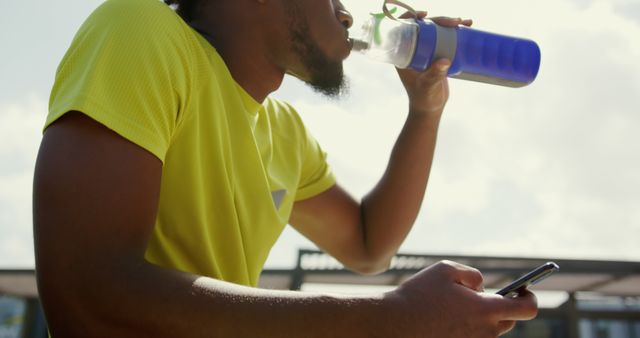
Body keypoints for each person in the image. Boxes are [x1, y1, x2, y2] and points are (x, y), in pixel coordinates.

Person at [33, 0, 538, 336]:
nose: (347, 13)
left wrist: (426, 109)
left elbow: (368, 245)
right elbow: (86, 293)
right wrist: (390, 319)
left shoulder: (284, 130)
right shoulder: (140, 30)